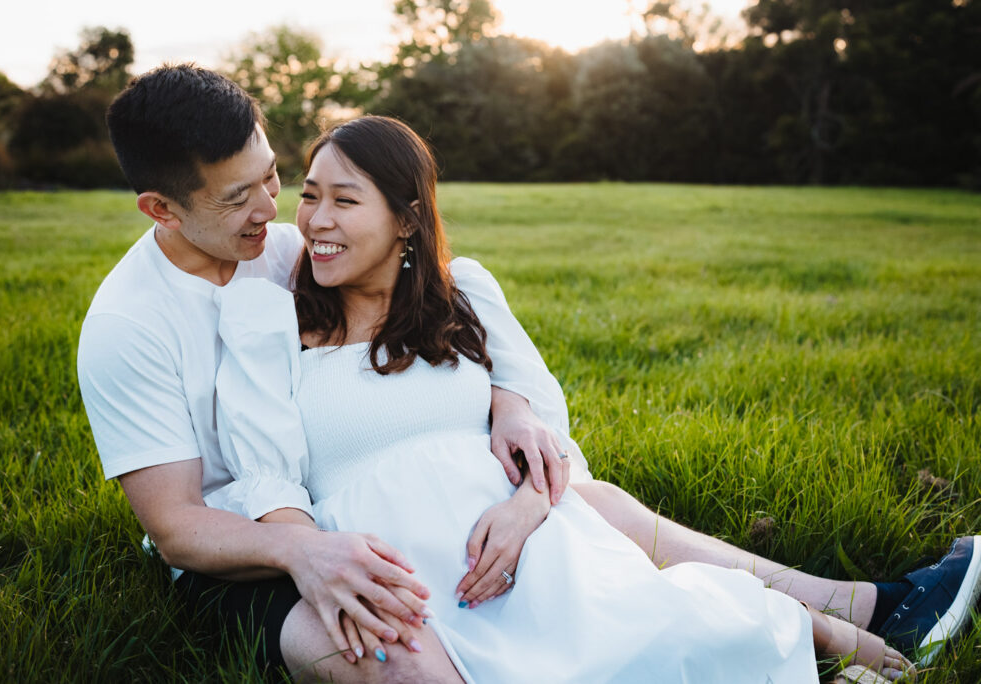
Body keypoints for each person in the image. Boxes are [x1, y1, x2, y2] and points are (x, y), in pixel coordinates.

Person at [76, 64, 979, 681]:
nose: (281, 215)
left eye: (279, 181)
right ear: (161, 207)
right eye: (244, 198)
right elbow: (179, 526)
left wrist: (511, 407)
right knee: (375, 634)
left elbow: (452, 315)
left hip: (402, 514)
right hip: (249, 552)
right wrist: (307, 547)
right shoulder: (133, 324)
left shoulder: (285, 250)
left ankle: (867, 608)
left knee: (586, 499)